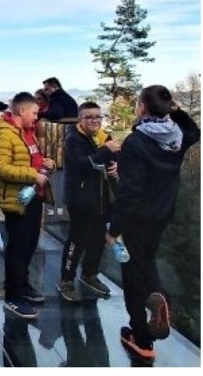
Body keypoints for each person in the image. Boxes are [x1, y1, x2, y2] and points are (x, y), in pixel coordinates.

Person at [107, 85, 200, 363]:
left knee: (133, 276)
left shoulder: (136, 143)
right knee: (145, 261)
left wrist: (114, 230)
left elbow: (129, 193)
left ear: (143, 108)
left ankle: (142, 339)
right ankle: (159, 296)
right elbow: (195, 131)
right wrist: (178, 110)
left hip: (137, 220)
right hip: (162, 214)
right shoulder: (177, 136)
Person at [0, 91, 56, 319]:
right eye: (35, 113)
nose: (37, 117)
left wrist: (46, 164)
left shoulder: (27, 132)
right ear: (22, 111)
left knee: (29, 244)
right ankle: (13, 296)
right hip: (17, 199)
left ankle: (23, 285)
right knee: (18, 247)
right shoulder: (4, 133)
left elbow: (31, 158)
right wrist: (32, 175)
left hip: (33, 196)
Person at [56, 101, 120, 303]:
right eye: (89, 117)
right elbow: (85, 164)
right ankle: (66, 280)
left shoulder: (103, 137)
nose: (94, 120)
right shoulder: (73, 140)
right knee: (77, 239)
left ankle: (89, 275)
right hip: (80, 199)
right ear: (80, 120)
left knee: (98, 239)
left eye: (97, 117)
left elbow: (115, 158)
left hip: (102, 198)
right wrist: (106, 150)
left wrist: (117, 166)